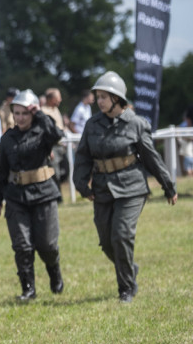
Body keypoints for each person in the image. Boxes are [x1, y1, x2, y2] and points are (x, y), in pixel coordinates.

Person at [72, 70, 178, 302]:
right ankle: (129, 267)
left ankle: (126, 289)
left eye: (103, 97)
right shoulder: (92, 125)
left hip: (132, 187)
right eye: (97, 96)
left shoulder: (136, 124)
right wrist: (81, 184)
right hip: (102, 188)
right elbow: (82, 157)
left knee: (121, 235)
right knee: (107, 242)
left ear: (117, 99)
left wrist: (168, 186)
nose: (98, 101)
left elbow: (151, 158)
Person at [0, 89, 64, 301]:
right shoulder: (7, 139)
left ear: (32, 113)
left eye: (25, 113)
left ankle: (54, 271)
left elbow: (58, 135)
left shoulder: (43, 131)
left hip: (44, 195)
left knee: (47, 245)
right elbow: (0, 171)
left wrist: (39, 113)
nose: (20, 117)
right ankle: (28, 289)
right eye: (17, 113)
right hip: (15, 197)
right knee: (22, 246)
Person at [41, 87, 69, 186]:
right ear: (51, 99)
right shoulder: (43, 112)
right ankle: (57, 197)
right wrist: (49, 149)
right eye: (58, 97)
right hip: (52, 146)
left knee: (66, 170)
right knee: (55, 173)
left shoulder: (56, 109)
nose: (60, 100)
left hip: (61, 145)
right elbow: (44, 133)